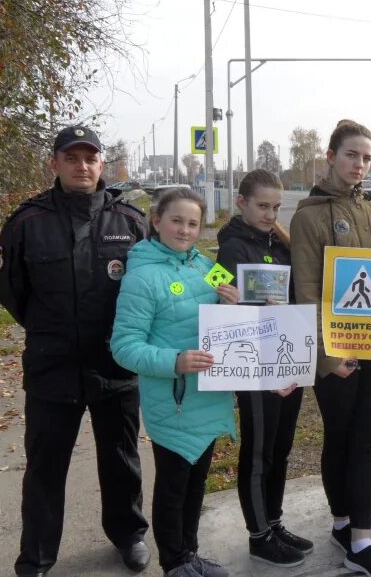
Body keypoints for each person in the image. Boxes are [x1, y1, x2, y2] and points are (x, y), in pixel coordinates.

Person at [0, 125, 150, 577]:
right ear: (55, 163)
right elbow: (10, 291)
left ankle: (129, 535)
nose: (82, 166)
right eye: (71, 157)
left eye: (90, 157)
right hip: (52, 366)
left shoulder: (131, 221)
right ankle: (37, 556)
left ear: (103, 163)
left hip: (115, 363)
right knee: (45, 466)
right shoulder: (27, 221)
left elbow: (165, 272)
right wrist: (51, 329)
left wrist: (225, 288)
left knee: (121, 459)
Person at [290, 120, 371, 577]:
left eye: (366, 157)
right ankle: (343, 524)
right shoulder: (309, 215)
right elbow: (306, 290)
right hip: (336, 351)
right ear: (330, 156)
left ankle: (360, 541)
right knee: (339, 438)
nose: (359, 165)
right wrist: (325, 356)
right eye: (351, 155)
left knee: (363, 441)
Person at [111, 188, 237, 577]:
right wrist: (175, 362)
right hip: (175, 399)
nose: (184, 229)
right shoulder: (142, 276)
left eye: (193, 223)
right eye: (177, 220)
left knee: (197, 484)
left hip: (210, 397)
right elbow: (124, 346)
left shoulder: (206, 265)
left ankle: (191, 553)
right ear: (157, 220)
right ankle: (174, 562)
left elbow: (231, 317)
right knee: (173, 488)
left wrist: (232, 304)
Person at [215, 169, 312, 568]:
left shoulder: (282, 243)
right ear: (241, 203)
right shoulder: (232, 247)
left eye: (275, 206)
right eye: (262, 206)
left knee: (281, 447)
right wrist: (228, 300)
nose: (270, 213)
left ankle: (274, 521)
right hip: (253, 364)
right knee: (259, 452)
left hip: (287, 357)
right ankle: (259, 536)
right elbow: (217, 292)